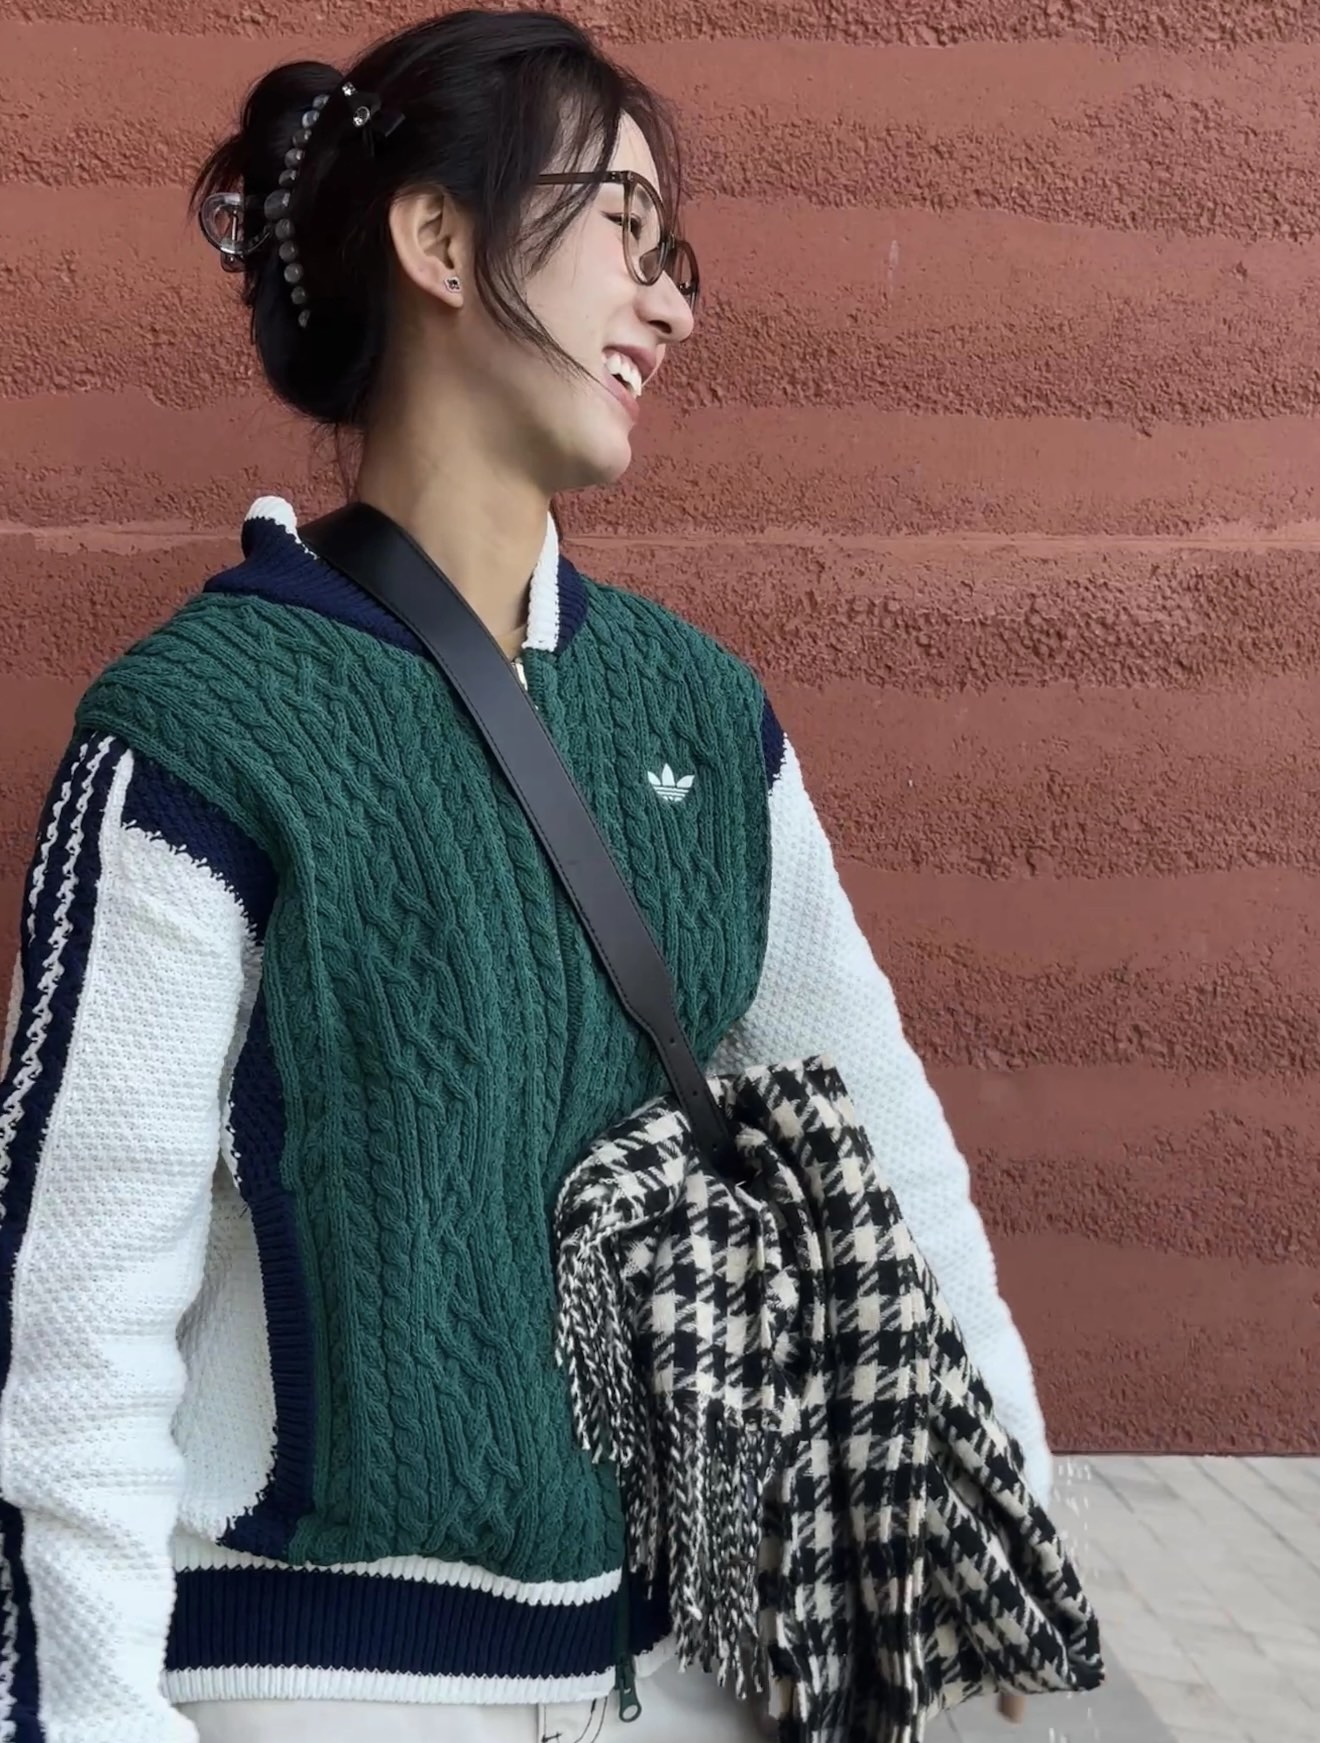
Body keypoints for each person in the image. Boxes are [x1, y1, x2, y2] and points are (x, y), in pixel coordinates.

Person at [0, 10, 1048, 1740]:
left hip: (689, 1664)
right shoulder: (205, 730)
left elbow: (881, 1136)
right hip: (315, 1679)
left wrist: (983, 1515)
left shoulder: (701, 715)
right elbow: (70, 1316)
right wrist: (93, 1715)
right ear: (439, 239)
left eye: (672, 252)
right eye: (624, 227)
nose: (671, 303)